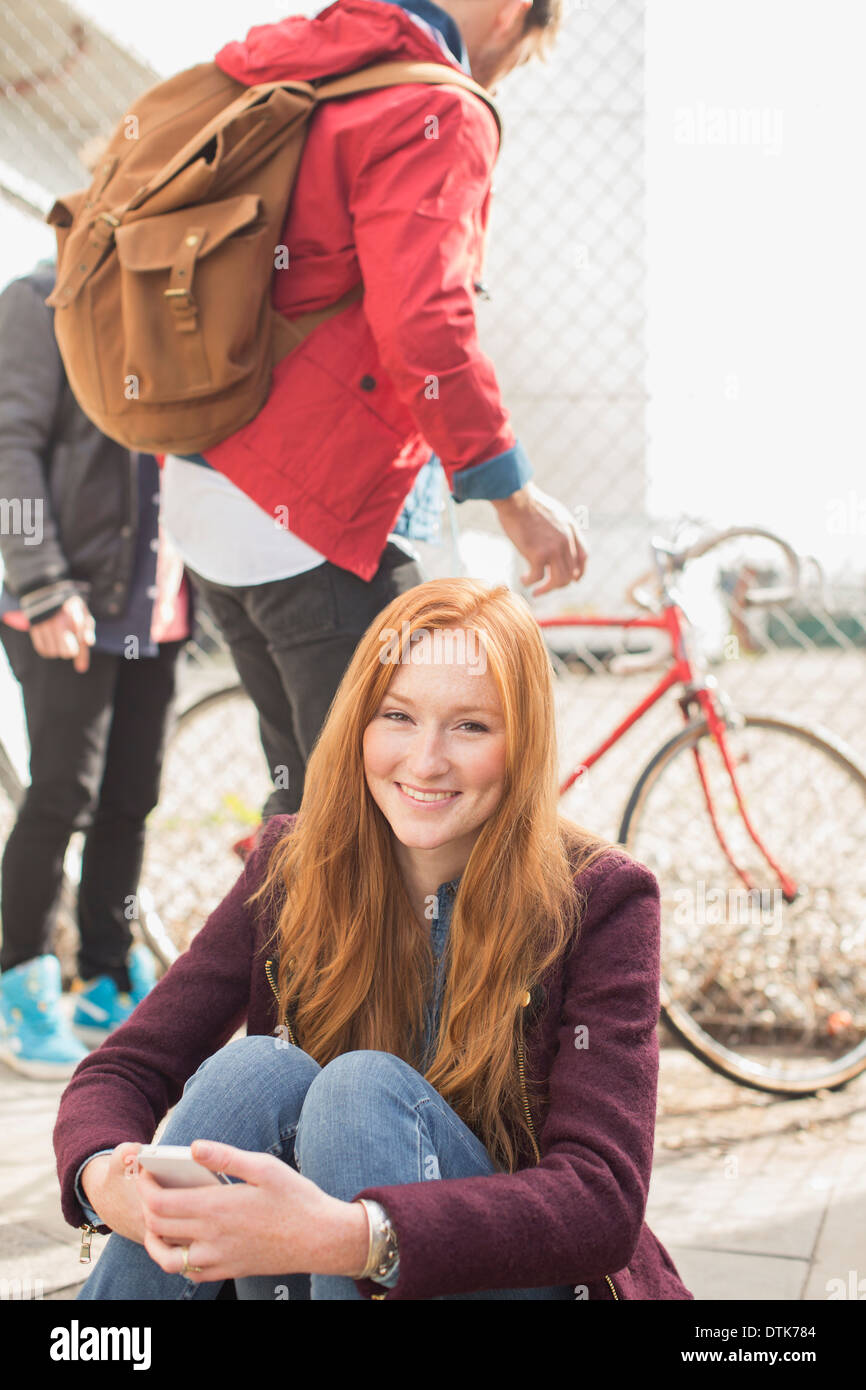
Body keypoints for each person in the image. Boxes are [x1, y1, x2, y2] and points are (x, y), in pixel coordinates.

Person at [55, 578, 692, 1301]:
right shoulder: (293, 868)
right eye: (398, 716)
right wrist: (105, 1177)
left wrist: (354, 1235)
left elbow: (599, 1201)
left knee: (360, 1089)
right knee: (257, 1073)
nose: (425, 762)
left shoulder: (602, 898)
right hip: (304, 1277)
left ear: (524, 745)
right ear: (360, 722)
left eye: (471, 727)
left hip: (517, 1278)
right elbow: (123, 1069)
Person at [159, 0, 588, 832]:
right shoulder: (437, 104)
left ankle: (258, 963)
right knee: (391, 833)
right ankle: (289, 964)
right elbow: (426, 325)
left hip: (208, 495)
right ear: (512, 13)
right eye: (522, 55)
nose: (502, 75)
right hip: (312, 522)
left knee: (313, 815)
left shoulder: (299, 59)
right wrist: (514, 495)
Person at [0, 261, 191, 1079]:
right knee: (61, 795)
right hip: (66, 598)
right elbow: (8, 444)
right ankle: (20, 982)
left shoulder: (185, 293)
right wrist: (40, 582)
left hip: (160, 602)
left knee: (130, 799)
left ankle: (105, 977)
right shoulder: (42, 298)